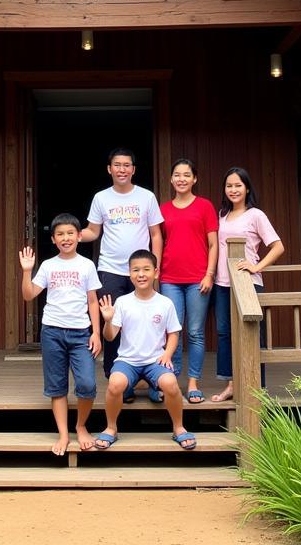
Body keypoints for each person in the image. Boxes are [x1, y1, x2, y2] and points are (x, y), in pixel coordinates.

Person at [93, 249, 196, 451]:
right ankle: (111, 428)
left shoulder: (165, 303)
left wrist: (167, 354)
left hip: (154, 360)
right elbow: (110, 336)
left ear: (156, 272)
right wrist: (107, 321)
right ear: (129, 273)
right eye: (136, 270)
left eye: (146, 269)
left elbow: (174, 333)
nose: (141, 274)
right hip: (127, 361)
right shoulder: (122, 302)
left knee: (171, 383)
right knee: (115, 384)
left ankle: (179, 427)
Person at [18, 213, 102, 455]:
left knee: (87, 384)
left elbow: (93, 301)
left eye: (70, 233)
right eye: (60, 234)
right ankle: (64, 434)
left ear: (79, 236)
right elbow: (29, 295)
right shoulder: (48, 265)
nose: (65, 238)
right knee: (57, 387)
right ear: (54, 239)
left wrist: (95, 332)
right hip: (52, 331)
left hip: (80, 333)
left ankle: (81, 426)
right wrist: (27, 271)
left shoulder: (86, 265)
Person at [80, 148, 164, 382]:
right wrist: (74, 234)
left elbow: (156, 234)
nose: (122, 169)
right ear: (109, 169)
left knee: (143, 322)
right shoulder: (101, 197)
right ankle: (114, 374)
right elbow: (93, 231)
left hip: (142, 271)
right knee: (112, 321)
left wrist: (155, 270)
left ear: (133, 169)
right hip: (110, 270)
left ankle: (150, 376)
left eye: (127, 165)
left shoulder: (146, 196)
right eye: (117, 165)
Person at [211, 166, 285, 402]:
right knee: (225, 333)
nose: (233, 190)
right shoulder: (222, 215)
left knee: (253, 335)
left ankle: (257, 388)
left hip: (248, 283)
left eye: (238, 185)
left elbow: (278, 246)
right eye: (229, 186)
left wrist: (257, 266)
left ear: (247, 188)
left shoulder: (256, 215)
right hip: (223, 283)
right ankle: (231, 385)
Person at [158, 158, 218, 404]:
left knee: (194, 332)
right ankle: (168, 380)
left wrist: (209, 274)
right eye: (177, 175)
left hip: (198, 279)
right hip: (169, 278)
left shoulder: (205, 206)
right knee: (171, 331)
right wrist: (156, 272)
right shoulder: (163, 209)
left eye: (186, 175)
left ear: (195, 179)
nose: (181, 179)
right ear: (171, 179)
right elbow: (159, 242)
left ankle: (193, 383)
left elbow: (213, 244)